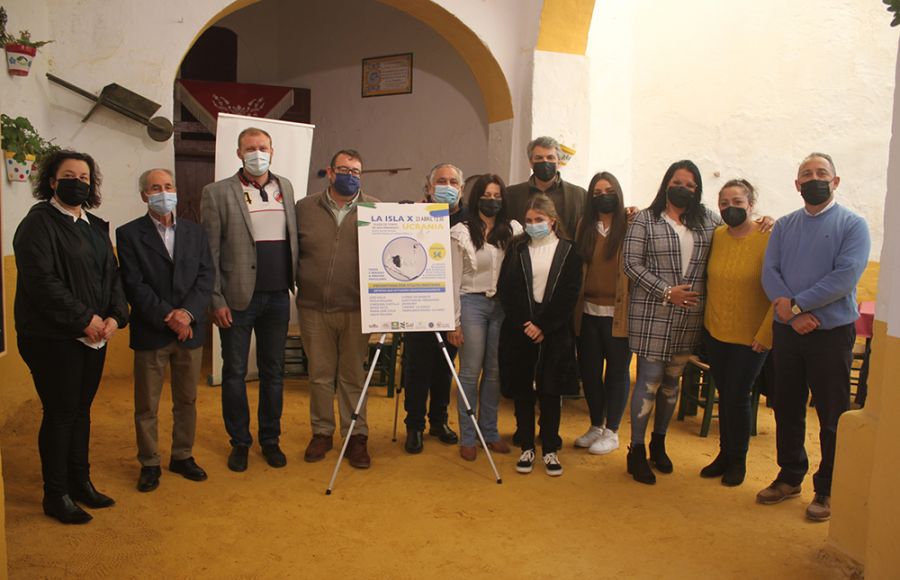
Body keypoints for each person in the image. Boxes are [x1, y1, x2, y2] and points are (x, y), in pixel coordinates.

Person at [14, 150, 129, 524]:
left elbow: (111, 275)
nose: (77, 182)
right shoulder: (37, 224)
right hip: (52, 338)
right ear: (51, 181)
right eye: (69, 175)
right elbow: (41, 283)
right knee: (61, 413)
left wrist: (114, 316)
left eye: (84, 177)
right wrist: (84, 320)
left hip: (94, 336)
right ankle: (56, 493)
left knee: (81, 412)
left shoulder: (94, 226)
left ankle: (81, 482)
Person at [757, 153, 870, 522]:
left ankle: (828, 487)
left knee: (832, 414)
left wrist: (799, 307)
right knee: (787, 405)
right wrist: (791, 314)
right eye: (806, 173)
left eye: (822, 173)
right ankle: (790, 476)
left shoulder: (853, 225)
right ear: (796, 184)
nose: (814, 178)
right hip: (789, 332)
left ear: (835, 181)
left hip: (831, 332)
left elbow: (846, 277)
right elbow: (769, 272)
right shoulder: (785, 226)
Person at [200, 127, 299, 472]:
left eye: (263, 147)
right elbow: (209, 252)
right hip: (237, 298)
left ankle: (270, 439)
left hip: (278, 297)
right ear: (238, 153)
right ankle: (240, 441)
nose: (257, 153)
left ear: (272, 151)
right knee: (235, 373)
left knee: (274, 372)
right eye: (250, 148)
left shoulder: (284, 187)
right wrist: (215, 299)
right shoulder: (216, 193)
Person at [623, 160, 721, 485]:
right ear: (666, 183)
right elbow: (631, 264)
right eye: (678, 182)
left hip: (689, 316)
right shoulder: (645, 220)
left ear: (698, 191)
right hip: (653, 312)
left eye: (691, 185)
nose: (684, 188)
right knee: (649, 381)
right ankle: (636, 449)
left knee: (670, 385)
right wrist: (667, 292)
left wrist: (763, 223)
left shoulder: (708, 222)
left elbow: (736, 234)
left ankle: (659, 443)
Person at [117, 168, 214, 492]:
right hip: (151, 331)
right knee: (147, 404)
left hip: (189, 331)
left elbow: (205, 277)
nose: (163, 192)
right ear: (145, 195)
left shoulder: (196, 233)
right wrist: (168, 316)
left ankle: (182, 455)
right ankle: (149, 462)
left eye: (168, 186)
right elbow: (134, 283)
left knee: (187, 400)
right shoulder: (128, 234)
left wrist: (187, 315)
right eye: (155, 188)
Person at [297, 149, 378, 468]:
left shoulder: (375, 209)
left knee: (352, 376)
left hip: (358, 308)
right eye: (344, 169)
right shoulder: (304, 208)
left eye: (356, 171)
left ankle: (356, 435)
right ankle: (322, 431)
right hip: (313, 307)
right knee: (318, 375)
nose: (350, 175)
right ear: (330, 172)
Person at [497, 194, 582, 476]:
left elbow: (568, 295)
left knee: (549, 391)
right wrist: (526, 323)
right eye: (529, 221)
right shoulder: (517, 249)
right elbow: (507, 291)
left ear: (553, 221)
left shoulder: (569, 251)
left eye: (539, 220)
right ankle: (526, 445)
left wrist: (543, 325)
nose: (533, 225)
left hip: (554, 333)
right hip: (520, 330)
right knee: (523, 391)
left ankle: (549, 448)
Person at [700, 179, 773, 487]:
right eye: (724, 204)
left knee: (738, 396)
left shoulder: (769, 237)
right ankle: (723, 454)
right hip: (716, 331)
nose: (731, 208)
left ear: (751, 205)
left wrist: (766, 333)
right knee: (723, 392)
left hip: (751, 337)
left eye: (737, 202)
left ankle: (738, 460)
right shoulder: (717, 236)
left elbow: (779, 289)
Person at [447, 174, 522, 460]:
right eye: (487, 195)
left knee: (494, 372)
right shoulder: (461, 232)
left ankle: (488, 431)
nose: (492, 200)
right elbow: (453, 279)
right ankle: (467, 436)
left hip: (501, 307)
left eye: (497, 195)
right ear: (476, 197)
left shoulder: (512, 229)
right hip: (471, 305)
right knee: (469, 371)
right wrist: (453, 321)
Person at [402, 163, 468, 454]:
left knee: (445, 367)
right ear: (429, 188)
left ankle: (438, 421)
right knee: (417, 368)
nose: (447, 185)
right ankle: (414, 425)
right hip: (417, 302)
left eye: (453, 181)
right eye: (441, 181)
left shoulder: (469, 221)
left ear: (461, 189)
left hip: (452, 305)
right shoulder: (412, 214)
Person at [573, 172, 632, 456]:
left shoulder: (631, 224)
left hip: (619, 314)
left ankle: (612, 430)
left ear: (618, 193)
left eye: (608, 190)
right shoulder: (585, 224)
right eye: (597, 191)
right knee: (590, 372)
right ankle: (596, 425)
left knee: (617, 373)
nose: (603, 195)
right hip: (587, 313)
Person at [505, 136, 586, 237]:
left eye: (550, 157)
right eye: (539, 158)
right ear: (530, 163)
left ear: (559, 162)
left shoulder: (579, 196)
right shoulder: (512, 195)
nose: (545, 161)